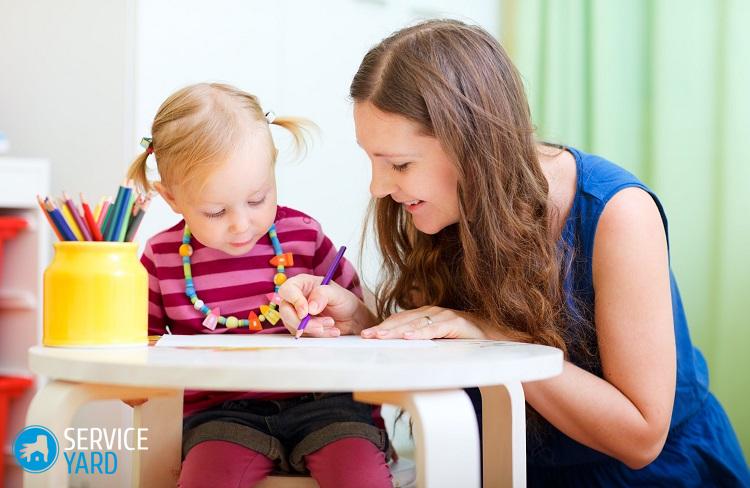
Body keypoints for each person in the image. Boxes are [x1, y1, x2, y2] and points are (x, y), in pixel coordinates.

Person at [278, 20, 750, 486]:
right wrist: (363, 324)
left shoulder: (618, 212)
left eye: (399, 164)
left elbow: (640, 437)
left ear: (472, 147)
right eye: (373, 160)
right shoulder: (441, 209)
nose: (378, 187)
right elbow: (450, 340)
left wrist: (492, 339)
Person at [128, 82, 392, 488]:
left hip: (327, 404)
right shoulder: (162, 259)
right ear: (171, 198)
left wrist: (332, 319)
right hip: (221, 417)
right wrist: (132, 378)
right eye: (215, 211)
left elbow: (366, 327)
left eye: (257, 199)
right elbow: (136, 348)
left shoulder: (303, 237)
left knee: (361, 477)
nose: (241, 224)